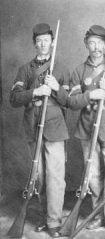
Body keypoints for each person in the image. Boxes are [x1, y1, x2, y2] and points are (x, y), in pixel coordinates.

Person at [9, 23, 70, 238]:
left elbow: (68, 102)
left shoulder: (60, 68)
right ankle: (46, 217)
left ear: (52, 43)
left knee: (55, 177)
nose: (43, 44)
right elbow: (14, 98)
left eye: (47, 40)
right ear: (35, 44)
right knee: (41, 177)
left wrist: (56, 88)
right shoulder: (25, 69)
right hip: (33, 127)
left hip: (54, 127)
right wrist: (36, 91)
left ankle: (54, 222)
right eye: (39, 41)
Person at [67, 25, 105, 234]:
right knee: (92, 176)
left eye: (100, 42)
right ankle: (97, 215)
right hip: (87, 130)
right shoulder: (78, 71)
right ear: (86, 44)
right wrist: (90, 96)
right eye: (92, 42)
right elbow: (71, 102)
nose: (96, 47)